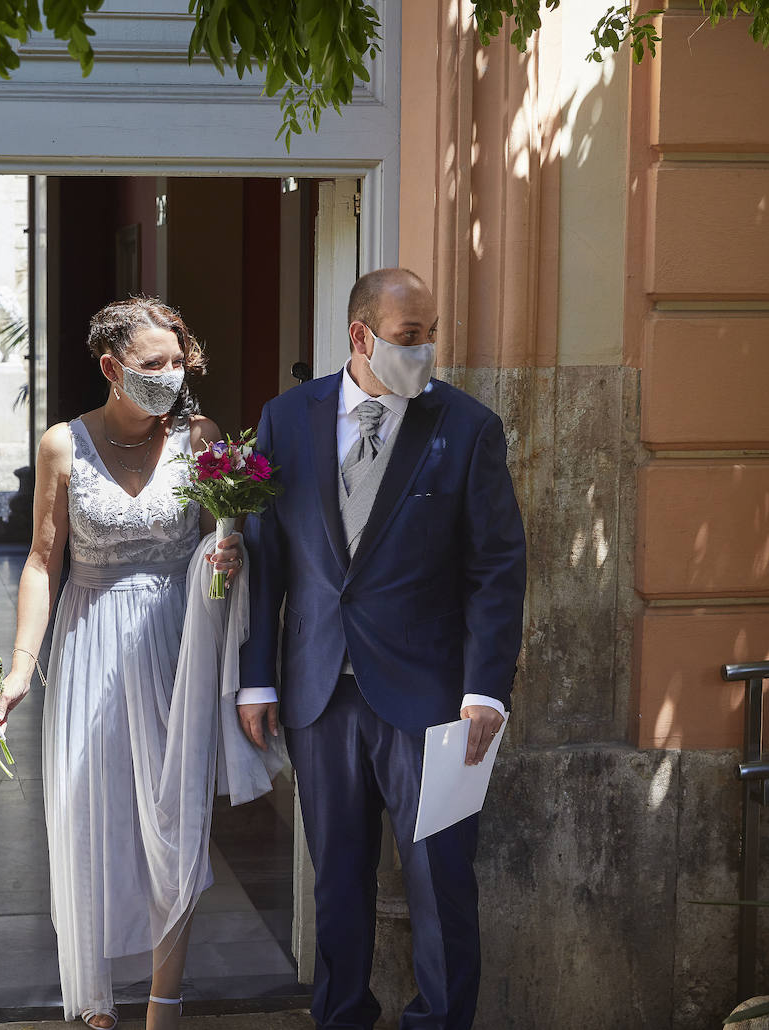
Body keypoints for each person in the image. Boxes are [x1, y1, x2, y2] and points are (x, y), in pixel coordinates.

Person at [237, 268, 526, 1030]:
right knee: (336, 882)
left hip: (434, 700)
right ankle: (340, 1018)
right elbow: (267, 560)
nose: (426, 350)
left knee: (441, 884)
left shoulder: (466, 427)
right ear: (361, 336)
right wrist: (256, 680)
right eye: (410, 337)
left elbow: (496, 569)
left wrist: (486, 688)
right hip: (318, 693)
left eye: (432, 333)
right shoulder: (285, 418)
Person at [0, 297, 243, 1030]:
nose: (171, 376)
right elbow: (41, 562)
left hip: (177, 644)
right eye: (153, 364)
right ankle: (97, 1008)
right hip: (92, 640)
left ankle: (165, 1002)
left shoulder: (203, 438)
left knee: (176, 821)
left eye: (178, 362)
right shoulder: (63, 445)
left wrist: (227, 556)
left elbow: (217, 552)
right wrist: (19, 668)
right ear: (111, 368)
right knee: (90, 819)